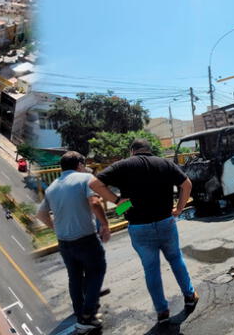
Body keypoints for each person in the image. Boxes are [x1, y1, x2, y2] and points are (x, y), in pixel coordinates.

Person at [89, 139, 198, 325]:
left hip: (139, 226)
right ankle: (189, 296)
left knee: (151, 269)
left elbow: (94, 184)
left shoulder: (123, 165)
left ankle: (162, 311)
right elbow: (186, 185)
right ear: (149, 150)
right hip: (165, 221)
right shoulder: (164, 163)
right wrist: (179, 208)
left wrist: (117, 201)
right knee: (175, 259)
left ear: (132, 151)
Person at [35, 151, 111, 333]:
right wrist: (105, 226)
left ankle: (81, 315)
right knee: (96, 270)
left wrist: (56, 228)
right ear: (79, 164)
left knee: (75, 278)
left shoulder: (52, 187)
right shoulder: (86, 178)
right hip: (85, 239)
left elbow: (41, 214)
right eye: (83, 163)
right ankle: (87, 316)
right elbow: (94, 202)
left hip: (64, 242)